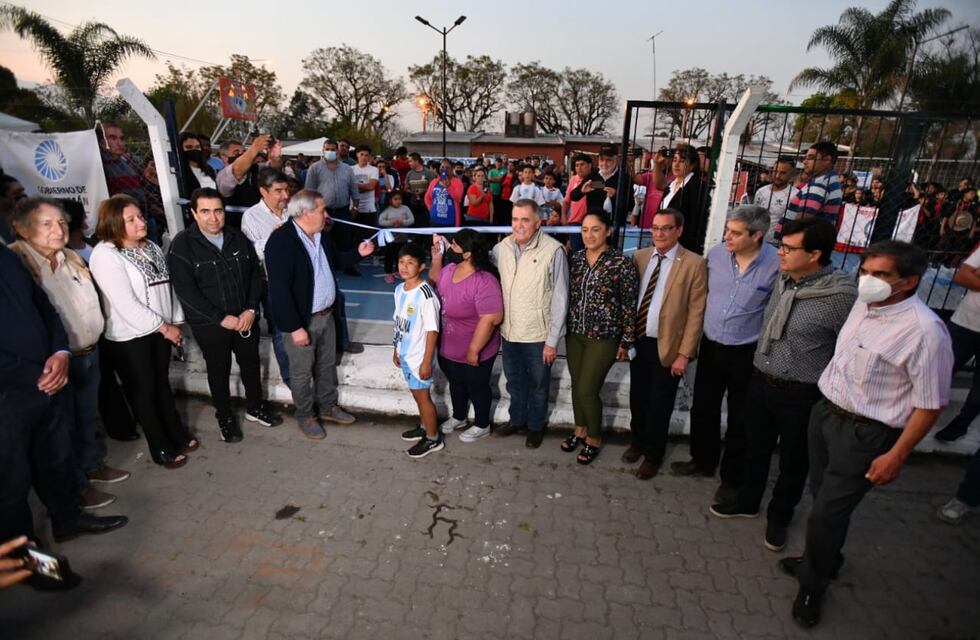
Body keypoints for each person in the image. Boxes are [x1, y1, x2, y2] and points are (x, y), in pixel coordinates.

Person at [780, 240, 953, 628]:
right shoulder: (863, 304)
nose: (868, 281)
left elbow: (930, 404)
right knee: (821, 495)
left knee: (826, 513)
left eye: (881, 275)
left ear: (908, 282)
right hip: (826, 415)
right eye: (865, 272)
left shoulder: (925, 332)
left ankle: (813, 585)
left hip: (867, 434)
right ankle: (826, 558)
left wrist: (898, 454)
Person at [708, 218, 856, 553]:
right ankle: (748, 501)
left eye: (789, 248)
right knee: (754, 448)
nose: (780, 254)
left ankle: (779, 517)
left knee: (793, 461)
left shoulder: (840, 296)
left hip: (802, 394)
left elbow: (847, 349)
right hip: (761, 381)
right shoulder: (784, 279)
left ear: (815, 254)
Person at [0, 242, 129, 548]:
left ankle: (67, 520)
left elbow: (43, 307)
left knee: (56, 457)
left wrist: (60, 351)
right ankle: (25, 556)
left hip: (49, 380)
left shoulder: (5, 255)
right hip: (9, 393)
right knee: (11, 482)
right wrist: (35, 373)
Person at [671, 206, 779, 496]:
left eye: (735, 232)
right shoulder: (717, 256)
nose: (727, 236)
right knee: (703, 407)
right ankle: (702, 461)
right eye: (727, 230)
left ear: (756, 235)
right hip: (711, 345)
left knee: (740, 417)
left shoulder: (775, 264)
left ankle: (731, 477)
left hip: (746, 351)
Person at [168, 188, 282, 442]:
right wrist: (220, 318)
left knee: (251, 364)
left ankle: (255, 408)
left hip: (245, 319)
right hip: (210, 325)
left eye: (218, 211)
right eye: (205, 211)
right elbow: (187, 292)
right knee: (218, 371)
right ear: (194, 213)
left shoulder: (237, 238)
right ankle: (225, 418)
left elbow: (255, 274)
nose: (213, 218)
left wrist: (251, 309)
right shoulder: (182, 246)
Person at [89, 195, 195, 468]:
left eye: (140, 216)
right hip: (129, 337)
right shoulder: (106, 254)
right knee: (143, 391)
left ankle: (176, 432)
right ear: (114, 223)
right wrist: (164, 327)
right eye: (131, 219)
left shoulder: (151, 246)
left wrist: (176, 320)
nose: (140, 222)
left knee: (161, 384)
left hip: (162, 329)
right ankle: (159, 447)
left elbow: (166, 287)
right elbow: (125, 303)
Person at [264, 190, 375, 440]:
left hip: (327, 316)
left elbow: (335, 260)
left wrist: (359, 253)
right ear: (305, 213)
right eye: (322, 210)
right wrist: (295, 328)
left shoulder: (321, 237)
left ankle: (328, 407)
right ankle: (305, 415)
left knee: (326, 366)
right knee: (302, 373)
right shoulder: (281, 242)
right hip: (301, 322)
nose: (327, 215)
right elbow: (279, 291)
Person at [624, 209, 707, 479]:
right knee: (638, 397)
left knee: (660, 404)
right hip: (639, 341)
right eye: (655, 228)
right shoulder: (640, 257)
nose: (659, 233)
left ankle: (653, 454)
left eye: (666, 228)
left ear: (679, 231)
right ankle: (637, 441)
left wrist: (685, 354)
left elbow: (696, 313)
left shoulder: (693, 264)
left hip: (668, 346)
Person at [562, 211, 639, 464]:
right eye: (584, 230)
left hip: (604, 336)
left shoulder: (621, 263)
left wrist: (627, 341)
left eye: (595, 229)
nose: (589, 235)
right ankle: (579, 429)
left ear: (608, 231)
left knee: (587, 389)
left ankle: (594, 437)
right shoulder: (576, 259)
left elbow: (629, 305)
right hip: (575, 333)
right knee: (577, 385)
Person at [491, 199, 568, 448]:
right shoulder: (502, 248)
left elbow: (560, 299)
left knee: (538, 384)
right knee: (514, 381)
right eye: (515, 219)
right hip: (510, 332)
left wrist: (552, 341)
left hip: (538, 336)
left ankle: (535, 426)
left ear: (537, 223)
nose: (519, 225)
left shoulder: (553, 251)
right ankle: (517, 421)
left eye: (525, 220)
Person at [428, 229, 504, 443]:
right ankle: (459, 416)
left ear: (468, 253)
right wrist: (436, 258)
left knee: (477, 386)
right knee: (456, 383)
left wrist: (474, 350)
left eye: (454, 246)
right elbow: (435, 278)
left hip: (475, 350)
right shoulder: (451, 268)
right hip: (448, 347)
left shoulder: (484, 280)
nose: (450, 249)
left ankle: (482, 424)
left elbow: (491, 318)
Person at [390, 243, 443, 458]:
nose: (404, 266)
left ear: (421, 266)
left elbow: (432, 331)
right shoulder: (399, 289)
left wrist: (426, 361)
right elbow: (399, 322)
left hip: (419, 357)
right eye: (401, 262)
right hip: (405, 354)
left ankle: (433, 438)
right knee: (416, 395)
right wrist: (396, 349)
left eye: (410, 263)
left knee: (423, 397)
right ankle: (424, 426)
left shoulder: (426, 295)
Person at [241, 168, 292, 384]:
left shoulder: (294, 210)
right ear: (263, 191)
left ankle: (306, 368)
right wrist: (276, 238)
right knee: (281, 330)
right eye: (278, 191)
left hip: (299, 279)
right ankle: (290, 376)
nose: (285, 196)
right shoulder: (251, 217)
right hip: (272, 283)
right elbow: (252, 254)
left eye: (286, 189)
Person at [934, 244, 980, 442]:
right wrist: (972, 274)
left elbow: (971, 276)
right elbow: (962, 276)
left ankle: (961, 425)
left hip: (965, 322)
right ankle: (913, 418)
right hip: (964, 323)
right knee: (937, 374)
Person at [774, 141, 843, 241]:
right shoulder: (830, 181)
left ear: (827, 160)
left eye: (811, 157)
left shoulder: (819, 185)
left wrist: (789, 241)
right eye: (806, 157)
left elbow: (802, 222)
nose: (805, 162)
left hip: (799, 244)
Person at [304, 138, 359, 254]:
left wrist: (355, 207)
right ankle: (327, 267)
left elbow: (354, 189)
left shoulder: (347, 169)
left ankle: (347, 265)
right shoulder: (315, 168)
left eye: (333, 149)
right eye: (327, 149)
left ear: (337, 151)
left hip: (343, 211)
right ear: (323, 150)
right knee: (324, 240)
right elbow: (309, 191)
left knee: (345, 239)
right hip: (323, 211)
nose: (330, 151)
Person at [216, 134, 281, 222]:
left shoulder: (255, 169)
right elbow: (236, 171)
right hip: (235, 227)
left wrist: (275, 156)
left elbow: (273, 169)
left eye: (244, 152)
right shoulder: (223, 175)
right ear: (224, 157)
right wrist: (255, 148)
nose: (242, 154)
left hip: (259, 223)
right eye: (236, 152)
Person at [657, 144, 708, 254]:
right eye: (675, 160)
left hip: (683, 246)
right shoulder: (671, 186)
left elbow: (696, 221)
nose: (676, 164)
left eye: (682, 160)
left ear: (692, 165)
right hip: (664, 243)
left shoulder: (697, 187)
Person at [753, 159, 799, 244]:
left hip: (778, 243)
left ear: (792, 175)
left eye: (783, 173)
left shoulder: (795, 195)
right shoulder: (761, 191)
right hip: (756, 240)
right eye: (775, 171)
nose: (777, 176)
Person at [378, 191, 415, 284]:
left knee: (401, 256)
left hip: (403, 238)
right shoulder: (387, 210)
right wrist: (391, 223)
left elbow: (412, 220)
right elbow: (380, 221)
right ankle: (388, 273)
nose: (398, 201)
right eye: (395, 199)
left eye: (400, 199)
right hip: (391, 239)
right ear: (390, 201)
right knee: (389, 256)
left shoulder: (405, 208)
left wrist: (402, 222)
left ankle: (399, 271)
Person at [425, 159, 464, 227]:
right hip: (435, 220)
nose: (444, 169)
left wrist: (448, 187)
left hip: (450, 220)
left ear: (452, 169)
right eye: (442, 167)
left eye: (447, 168)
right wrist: (431, 209)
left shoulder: (457, 182)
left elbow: (458, 198)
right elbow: (427, 197)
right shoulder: (434, 181)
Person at [404, 152, 435, 227]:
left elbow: (433, 187)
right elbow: (406, 188)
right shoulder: (409, 174)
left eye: (410, 161)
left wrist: (424, 191)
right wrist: (413, 192)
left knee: (425, 225)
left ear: (416, 161)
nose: (409, 163)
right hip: (413, 204)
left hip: (426, 205)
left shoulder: (428, 173)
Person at [351, 145, 380, 223]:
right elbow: (347, 187)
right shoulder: (351, 169)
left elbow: (371, 186)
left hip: (369, 209)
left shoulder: (374, 170)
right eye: (362, 154)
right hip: (353, 208)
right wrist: (363, 187)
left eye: (366, 155)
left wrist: (354, 187)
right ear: (357, 155)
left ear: (369, 157)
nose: (364, 157)